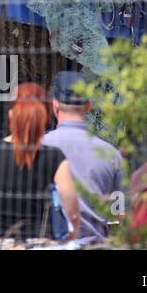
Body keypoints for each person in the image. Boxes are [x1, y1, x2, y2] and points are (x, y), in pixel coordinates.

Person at [0, 83, 79, 243]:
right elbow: (73, 212)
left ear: (10, 113)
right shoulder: (54, 157)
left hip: (0, 243)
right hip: (41, 243)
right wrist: (70, 237)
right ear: (45, 115)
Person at [42, 71, 122, 244]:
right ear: (89, 106)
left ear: (55, 105)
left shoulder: (38, 148)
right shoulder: (111, 154)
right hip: (95, 246)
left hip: (50, 245)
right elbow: (119, 211)